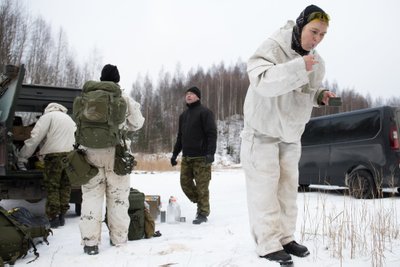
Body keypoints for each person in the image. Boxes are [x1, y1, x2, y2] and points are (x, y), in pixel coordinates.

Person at [240, 5, 335, 265]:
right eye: (313, 31)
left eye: (322, 35)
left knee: (287, 191)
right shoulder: (273, 47)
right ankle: (268, 243)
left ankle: (285, 237)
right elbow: (262, 81)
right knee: (265, 191)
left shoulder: (317, 63)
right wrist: (297, 67)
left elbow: (306, 91)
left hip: (290, 135)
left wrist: (320, 96)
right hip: (262, 133)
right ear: (300, 25)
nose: (316, 39)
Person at [78, 64, 144, 255]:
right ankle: (119, 239)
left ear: (101, 78)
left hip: (89, 154)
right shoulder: (122, 97)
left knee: (91, 196)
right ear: (117, 80)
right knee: (118, 198)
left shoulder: (86, 98)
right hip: (117, 153)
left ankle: (90, 243)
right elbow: (137, 123)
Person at [18, 103, 76, 228]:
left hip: (54, 157)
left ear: (47, 110)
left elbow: (35, 138)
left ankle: (53, 216)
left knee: (53, 186)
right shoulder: (69, 119)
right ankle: (62, 215)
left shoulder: (47, 117)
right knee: (65, 185)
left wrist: (23, 156)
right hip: (71, 156)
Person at [170, 86, 217, 225]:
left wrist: (210, 153)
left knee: (202, 186)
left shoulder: (205, 112)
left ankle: (202, 213)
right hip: (187, 157)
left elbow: (211, 134)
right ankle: (201, 201)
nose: (188, 96)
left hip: (202, 157)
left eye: (191, 94)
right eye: (187, 94)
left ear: (198, 97)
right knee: (185, 184)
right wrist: (174, 155)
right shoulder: (183, 116)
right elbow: (180, 137)